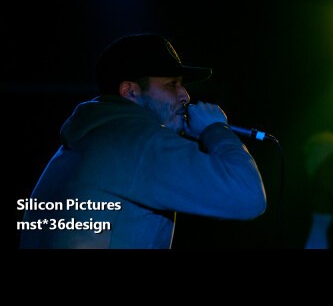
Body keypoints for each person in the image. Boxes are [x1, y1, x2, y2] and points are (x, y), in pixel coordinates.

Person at [18, 33, 267, 249]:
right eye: (171, 84)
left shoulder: (85, 140)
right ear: (130, 91)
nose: (185, 96)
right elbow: (247, 196)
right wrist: (216, 129)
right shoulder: (138, 140)